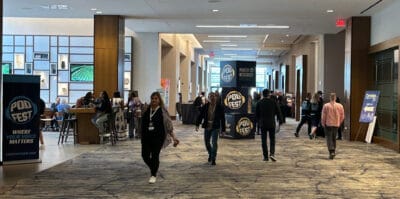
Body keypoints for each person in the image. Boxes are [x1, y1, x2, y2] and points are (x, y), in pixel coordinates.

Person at [141, 91, 179, 184]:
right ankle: (154, 167)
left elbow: (169, 125)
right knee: (145, 155)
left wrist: (174, 138)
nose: (154, 100)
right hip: (146, 137)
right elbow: (142, 123)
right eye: (152, 98)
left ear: (159, 100)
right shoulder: (147, 109)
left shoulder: (162, 111)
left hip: (158, 138)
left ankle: (153, 174)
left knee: (155, 156)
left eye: (156, 98)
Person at [195, 92, 226, 166]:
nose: (212, 98)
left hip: (215, 127)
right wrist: (197, 124)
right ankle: (210, 153)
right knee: (207, 142)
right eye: (210, 96)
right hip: (207, 126)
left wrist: (223, 130)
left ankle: (213, 158)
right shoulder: (205, 106)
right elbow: (200, 116)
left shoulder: (220, 107)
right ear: (208, 98)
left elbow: (223, 119)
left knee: (214, 142)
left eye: (213, 96)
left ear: (216, 97)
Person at [256, 89, 283, 162]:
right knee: (272, 139)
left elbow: (257, 114)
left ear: (263, 94)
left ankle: (265, 157)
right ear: (269, 94)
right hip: (271, 123)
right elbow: (278, 112)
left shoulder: (259, 102)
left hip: (263, 123)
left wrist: (258, 122)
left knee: (263, 140)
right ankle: (272, 154)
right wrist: (280, 121)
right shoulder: (273, 102)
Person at [321, 93, 345, 160]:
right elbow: (342, 116)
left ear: (330, 98)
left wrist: (323, 123)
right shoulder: (340, 106)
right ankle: (333, 151)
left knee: (329, 138)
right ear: (335, 98)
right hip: (336, 124)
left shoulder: (326, 106)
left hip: (328, 124)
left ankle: (331, 151)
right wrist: (339, 122)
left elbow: (323, 116)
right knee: (334, 137)